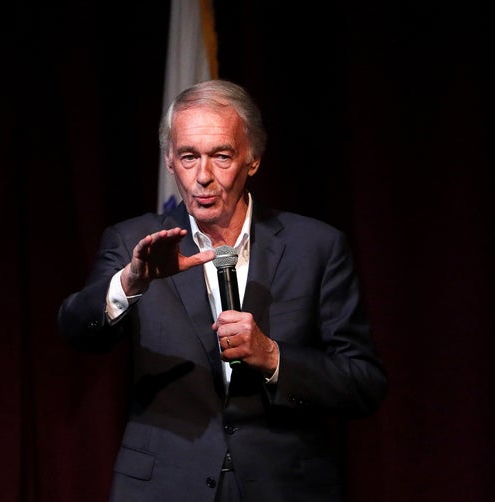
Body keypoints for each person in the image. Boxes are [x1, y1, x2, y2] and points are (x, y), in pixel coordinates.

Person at [58, 79, 387, 501]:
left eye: (222, 156)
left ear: (252, 160)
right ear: (170, 162)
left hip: (284, 486)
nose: (203, 177)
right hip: (164, 487)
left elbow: (364, 383)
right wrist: (130, 283)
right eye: (189, 157)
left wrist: (273, 357)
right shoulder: (131, 244)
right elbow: (74, 331)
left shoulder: (317, 247)